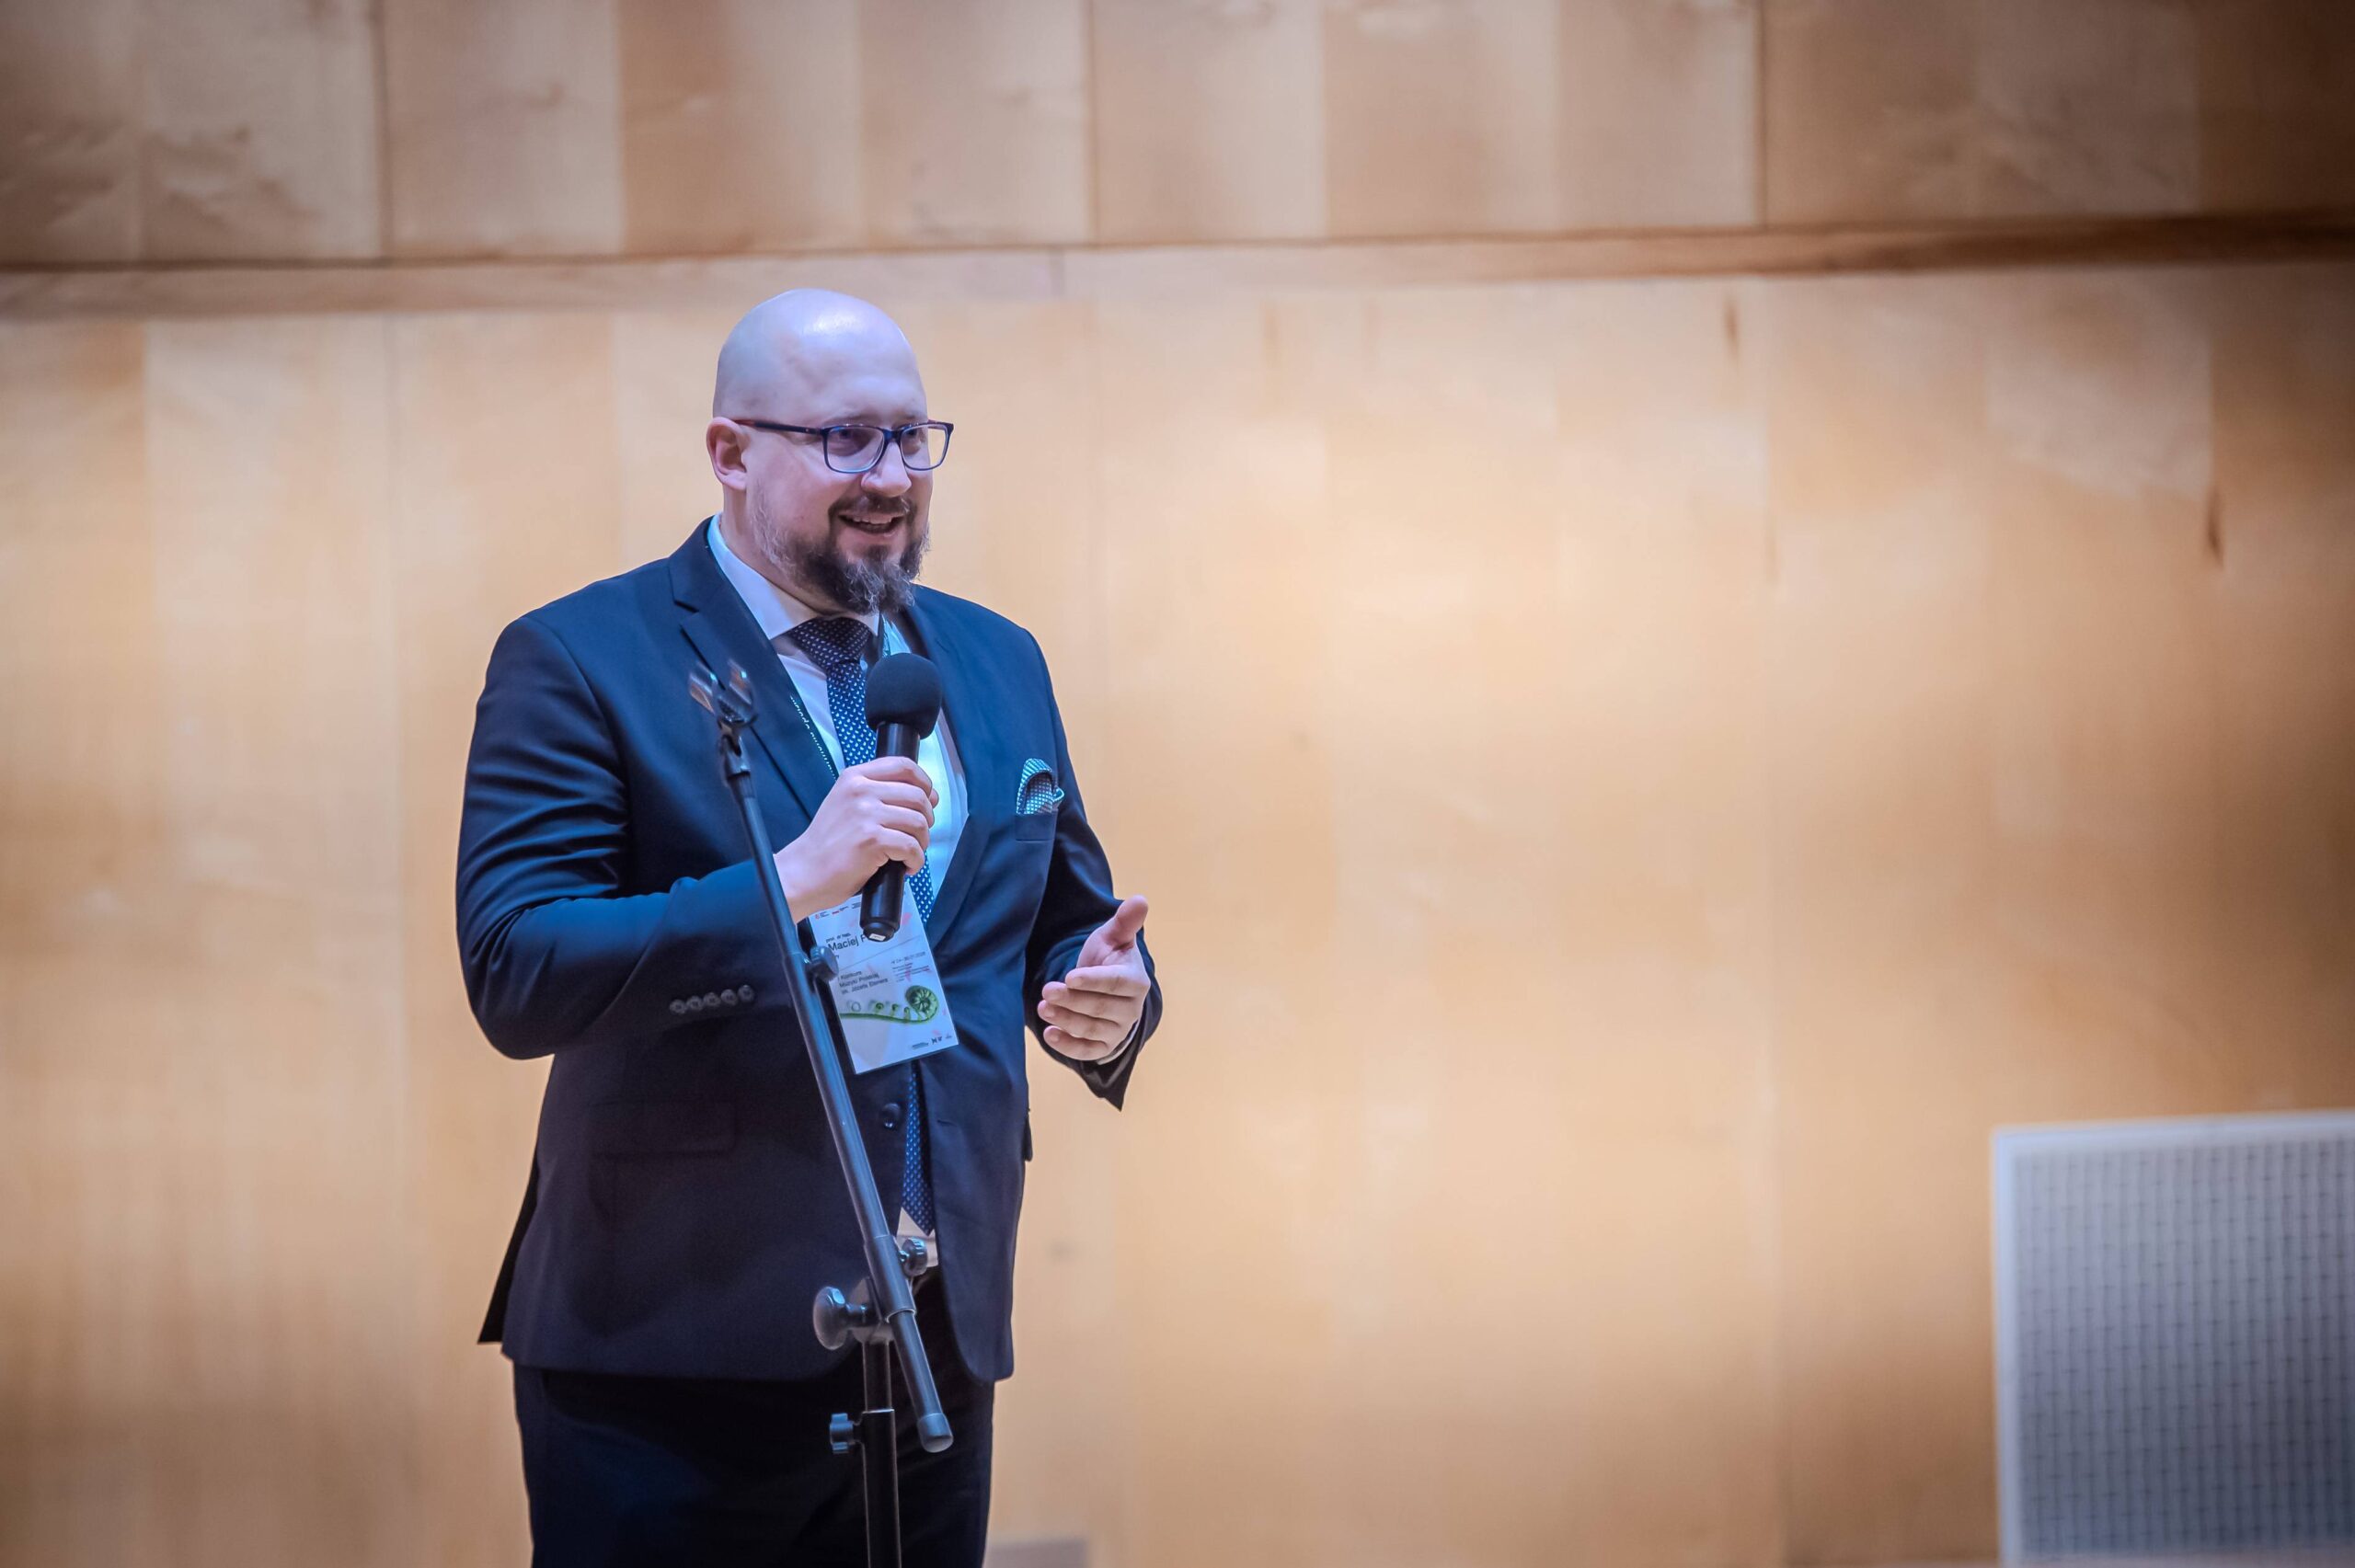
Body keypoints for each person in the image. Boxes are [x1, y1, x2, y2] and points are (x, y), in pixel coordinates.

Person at [455, 289, 1163, 1566]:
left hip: (933, 1341)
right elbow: (520, 967)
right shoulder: (582, 656)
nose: (890, 475)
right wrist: (789, 881)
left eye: (911, 437)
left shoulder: (994, 658)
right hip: (674, 1355)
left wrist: (1105, 997)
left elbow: (1059, 921)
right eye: (845, 439)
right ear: (730, 451)